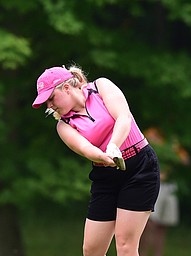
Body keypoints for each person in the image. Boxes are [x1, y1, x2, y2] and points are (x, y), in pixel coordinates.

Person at [32, 65, 160, 256]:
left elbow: (123, 117)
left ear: (66, 87)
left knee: (125, 245)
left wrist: (113, 146)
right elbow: (86, 149)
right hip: (105, 175)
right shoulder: (63, 125)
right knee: (91, 250)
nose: (49, 106)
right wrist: (104, 156)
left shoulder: (101, 87)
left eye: (51, 98)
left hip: (140, 167)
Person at [139, 171, 179, 256]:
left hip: (171, 186)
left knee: (162, 225)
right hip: (154, 182)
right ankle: (142, 253)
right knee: (150, 224)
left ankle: (158, 254)